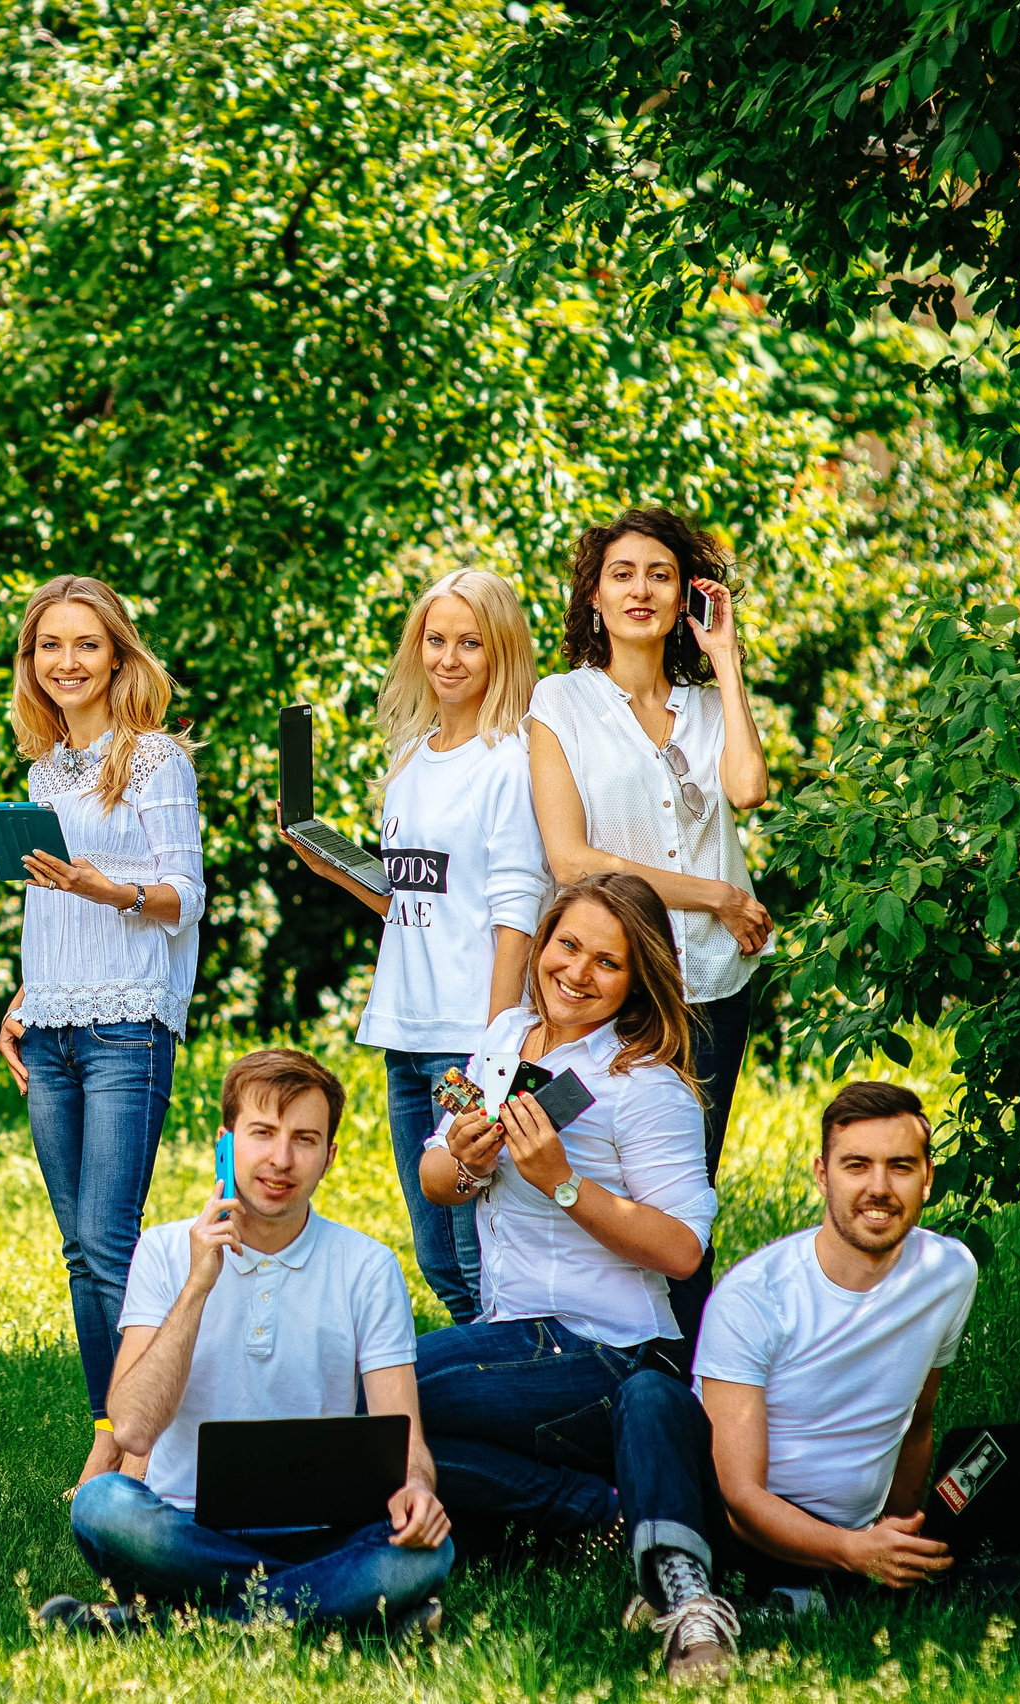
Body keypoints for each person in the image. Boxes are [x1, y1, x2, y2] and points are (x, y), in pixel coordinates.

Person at [413, 872, 739, 1684]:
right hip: (512, 1336)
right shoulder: (502, 1039)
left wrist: (564, 1183)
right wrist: (463, 1159)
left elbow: (681, 1251)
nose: (577, 973)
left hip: (605, 1348)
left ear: (638, 979)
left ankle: (598, 1521)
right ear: (544, 941)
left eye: (608, 962)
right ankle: (599, 1513)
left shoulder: (645, 1082)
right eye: (568, 946)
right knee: (387, 1424)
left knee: (379, 1397)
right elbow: (431, 1174)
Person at [40, 1049, 452, 1635]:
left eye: (304, 1140)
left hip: (322, 1533)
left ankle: (175, 1620)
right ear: (226, 1143)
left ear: (329, 1157)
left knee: (432, 1551)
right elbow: (131, 1429)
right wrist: (197, 1286)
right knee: (101, 1507)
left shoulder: (368, 1266)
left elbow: (405, 1434)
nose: (281, 1160)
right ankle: (328, 1610)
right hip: (189, 1526)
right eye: (263, 1134)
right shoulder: (163, 1251)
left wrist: (416, 1488)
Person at [526, 508, 770, 1350]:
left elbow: (746, 790)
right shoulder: (559, 702)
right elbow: (570, 862)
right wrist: (716, 892)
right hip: (612, 986)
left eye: (660, 575)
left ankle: (691, 1390)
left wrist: (725, 659)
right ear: (593, 596)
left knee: (687, 1196)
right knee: (600, 1171)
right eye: (623, 573)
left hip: (711, 982)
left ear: (684, 597)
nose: (641, 589)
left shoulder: (706, 708)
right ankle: (613, 1363)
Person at [280, 566, 547, 1324]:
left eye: (471, 642)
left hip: (468, 1040)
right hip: (406, 1030)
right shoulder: (410, 757)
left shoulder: (511, 761)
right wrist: (321, 860)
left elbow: (515, 922)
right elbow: (409, 901)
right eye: (436, 640)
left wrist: (493, 1063)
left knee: (477, 1255)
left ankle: (503, 1398)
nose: (450, 658)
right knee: (438, 1257)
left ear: (502, 653)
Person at [0, 575, 205, 1486]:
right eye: (51, 647)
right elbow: (47, 913)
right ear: (32, 664)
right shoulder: (43, 770)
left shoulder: (156, 760)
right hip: (50, 1025)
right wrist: (20, 998)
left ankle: (125, 1443)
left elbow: (186, 896)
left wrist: (104, 886)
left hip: (127, 1026)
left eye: (86, 645)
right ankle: (113, 1418)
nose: (68, 662)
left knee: (110, 1237)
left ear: (118, 654)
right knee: (79, 1247)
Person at [695, 1081, 979, 1609]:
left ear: (927, 1180)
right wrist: (854, 1551)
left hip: (856, 1533)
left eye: (900, 1166)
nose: (879, 1187)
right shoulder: (754, 1296)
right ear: (822, 1176)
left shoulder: (950, 1272)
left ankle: (821, 1598)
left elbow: (918, 1421)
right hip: (747, 1534)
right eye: (856, 1166)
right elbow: (739, 1497)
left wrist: (896, 1537)